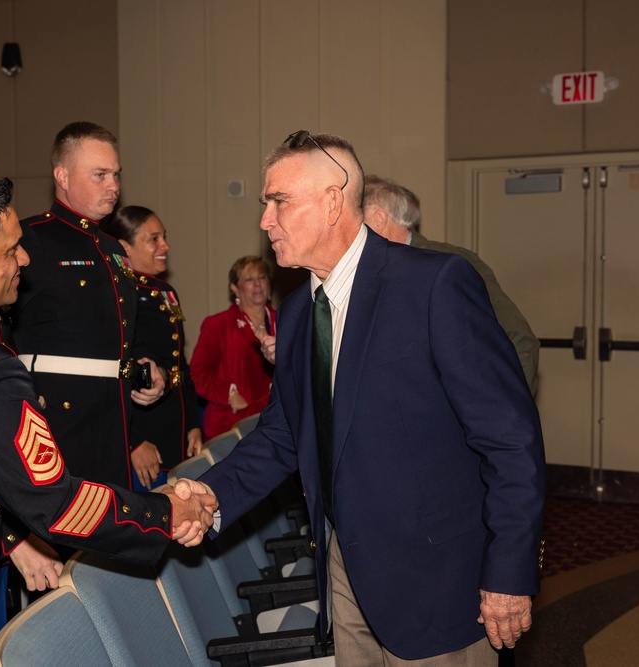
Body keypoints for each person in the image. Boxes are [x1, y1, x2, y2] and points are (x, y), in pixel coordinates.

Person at [178, 131, 546, 665]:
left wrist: (510, 570)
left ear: (332, 202)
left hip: (438, 583)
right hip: (344, 571)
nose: (264, 221)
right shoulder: (302, 311)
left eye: (278, 201)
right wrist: (209, 497)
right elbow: (283, 436)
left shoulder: (433, 285)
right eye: (265, 204)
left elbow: (511, 440)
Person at [0, 176, 214, 648]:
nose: (24, 260)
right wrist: (164, 513)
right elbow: (58, 504)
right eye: (10, 250)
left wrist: (12, 539)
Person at [11, 121, 165, 488]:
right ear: (62, 175)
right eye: (100, 174)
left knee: (107, 534)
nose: (113, 186)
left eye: (116, 174)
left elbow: (121, 333)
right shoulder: (30, 239)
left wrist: (146, 373)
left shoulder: (112, 249)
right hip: (57, 427)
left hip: (113, 423)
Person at [362, 175, 540, 394]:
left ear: (378, 220)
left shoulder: (452, 264)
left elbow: (519, 342)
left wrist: (500, 417)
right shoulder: (365, 275)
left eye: (353, 221)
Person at [100, 205, 203, 489]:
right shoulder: (115, 294)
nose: (165, 245)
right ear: (125, 248)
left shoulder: (166, 292)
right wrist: (131, 442)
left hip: (175, 431)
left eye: (164, 237)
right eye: (154, 239)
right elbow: (107, 379)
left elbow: (180, 365)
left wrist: (193, 423)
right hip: (144, 439)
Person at [191, 256, 277, 438]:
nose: (257, 284)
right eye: (248, 279)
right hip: (232, 426)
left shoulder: (286, 320)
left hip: (277, 422)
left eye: (262, 277)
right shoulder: (218, 325)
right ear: (235, 289)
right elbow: (198, 375)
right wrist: (228, 394)